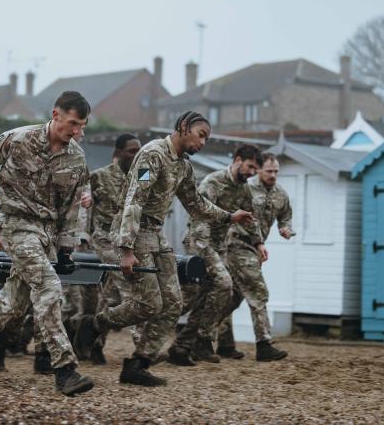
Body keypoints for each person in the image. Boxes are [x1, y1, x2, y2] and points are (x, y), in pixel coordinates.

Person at [74, 111, 250, 386]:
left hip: (156, 235)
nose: (203, 142)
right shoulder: (151, 155)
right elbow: (135, 198)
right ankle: (94, 323)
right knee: (148, 304)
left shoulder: (183, 166)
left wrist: (230, 216)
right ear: (183, 127)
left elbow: (196, 204)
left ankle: (138, 364)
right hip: (135, 233)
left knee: (173, 305)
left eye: (207, 138)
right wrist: (126, 248)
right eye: (201, 134)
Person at [0, 91, 95, 396]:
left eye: (82, 126)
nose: (77, 132)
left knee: (13, 306)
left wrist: (67, 247)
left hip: (46, 234)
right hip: (16, 224)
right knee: (49, 287)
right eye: (73, 123)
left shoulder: (76, 157)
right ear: (55, 115)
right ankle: (64, 369)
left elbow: (72, 207)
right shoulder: (17, 139)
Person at [167, 144, 264, 365]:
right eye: (250, 167)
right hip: (199, 241)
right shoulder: (213, 182)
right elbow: (199, 214)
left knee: (220, 294)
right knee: (221, 284)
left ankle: (182, 347)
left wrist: (258, 243)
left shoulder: (244, 189)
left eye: (255, 170)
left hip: (218, 247)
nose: (251, 173)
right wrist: (207, 249)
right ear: (238, 160)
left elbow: (250, 218)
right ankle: (201, 339)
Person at [217, 150, 290, 362]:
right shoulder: (245, 189)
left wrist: (286, 229)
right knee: (258, 291)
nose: (273, 175)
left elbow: (286, 216)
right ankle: (264, 344)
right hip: (236, 244)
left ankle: (218, 341)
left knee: (232, 297)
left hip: (255, 249)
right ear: (258, 170)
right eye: (269, 171)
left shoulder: (281, 194)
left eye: (276, 171)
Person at [79, 133, 141, 365]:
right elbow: (83, 202)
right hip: (104, 239)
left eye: (139, 151)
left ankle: (94, 340)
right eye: (131, 151)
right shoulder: (100, 176)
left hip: (129, 241)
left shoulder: (142, 176)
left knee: (111, 294)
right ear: (118, 153)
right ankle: (143, 347)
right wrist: (82, 234)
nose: (136, 156)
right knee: (129, 284)